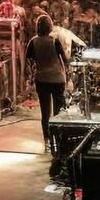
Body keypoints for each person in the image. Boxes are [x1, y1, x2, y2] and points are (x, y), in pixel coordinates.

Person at [27, 15, 69, 153]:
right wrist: (68, 77)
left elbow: (29, 63)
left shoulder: (32, 42)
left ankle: (47, 141)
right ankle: (59, 141)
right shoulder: (54, 41)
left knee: (45, 113)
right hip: (57, 79)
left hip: (42, 79)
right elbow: (65, 59)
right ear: (50, 27)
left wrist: (30, 79)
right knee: (58, 113)